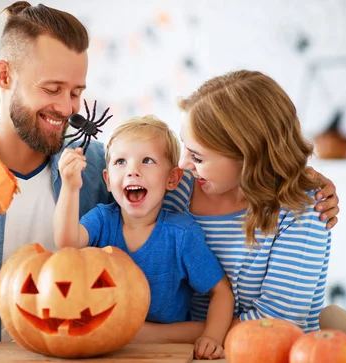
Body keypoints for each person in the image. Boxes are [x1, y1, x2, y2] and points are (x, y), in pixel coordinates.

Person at [0, 2, 340, 346]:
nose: (67, 109)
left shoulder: (99, 169)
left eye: (77, 92)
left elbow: (188, 163)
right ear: (4, 76)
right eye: (52, 88)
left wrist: (300, 177)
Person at [136, 70, 332, 344]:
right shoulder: (178, 191)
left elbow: (273, 324)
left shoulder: (301, 212)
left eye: (198, 157)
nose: (182, 164)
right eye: (184, 146)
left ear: (247, 158)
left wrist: (150, 335)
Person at [54, 115, 234, 359]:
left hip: (165, 350)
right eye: (120, 162)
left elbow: (221, 292)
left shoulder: (182, 234)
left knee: (210, 330)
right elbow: (67, 244)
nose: (132, 172)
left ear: (172, 178)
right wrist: (70, 186)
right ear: (107, 181)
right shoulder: (101, 219)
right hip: (104, 347)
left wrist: (211, 337)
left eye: (147, 161)